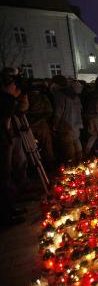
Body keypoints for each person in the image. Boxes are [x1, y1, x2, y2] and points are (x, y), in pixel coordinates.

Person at [0, 70, 28, 225]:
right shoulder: (5, 101)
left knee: (8, 173)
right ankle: (6, 214)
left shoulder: (8, 99)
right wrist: (12, 99)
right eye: (12, 84)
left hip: (7, 138)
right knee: (4, 176)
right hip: (3, 140)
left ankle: (10, 207)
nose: (14, 87)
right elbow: (6, 120)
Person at [27, 79, 55, 169]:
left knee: (31, 147)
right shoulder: (43, 97)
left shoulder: (25, 97)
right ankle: (48, 165)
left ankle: (34, 165)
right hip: (41, 125)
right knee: (46, 145)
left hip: (29, 126)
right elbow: (49, 111)